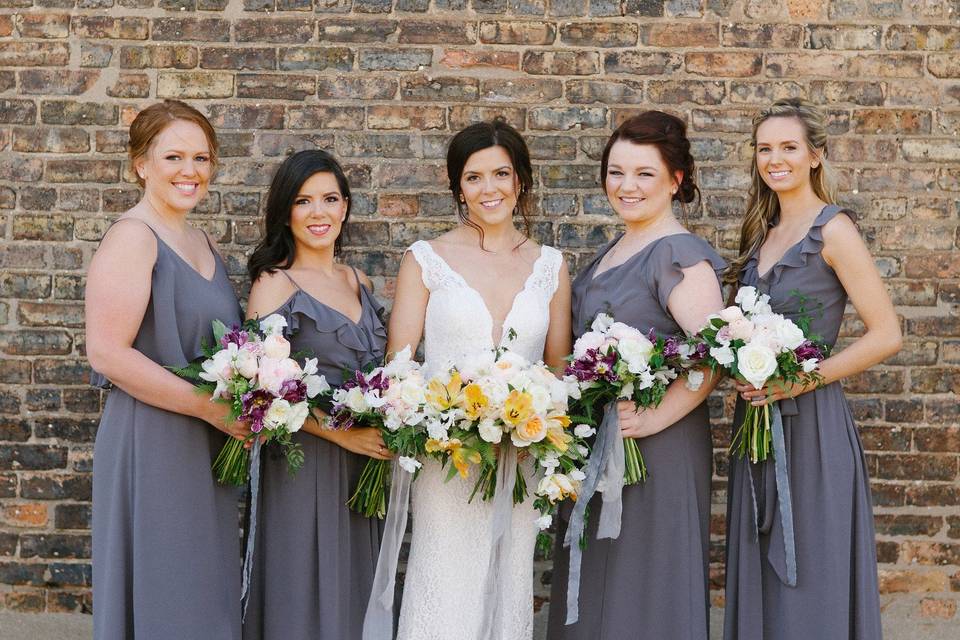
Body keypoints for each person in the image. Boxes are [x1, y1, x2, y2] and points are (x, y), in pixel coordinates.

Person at [386, 119, 571, 640]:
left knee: (507, 584)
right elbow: (399, 367)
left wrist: (534, 420)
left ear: (520, 181)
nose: (489, 189)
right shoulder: (426, 259)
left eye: (501, 174)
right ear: (458, 187)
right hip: (447, 461)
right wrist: (446, 419)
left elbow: (557, 371)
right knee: (443, 584)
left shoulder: (550, 266)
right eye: (473, 177)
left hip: (521, 457)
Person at [723, 98, 901, 640]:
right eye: (764, 149)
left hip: (812, 426)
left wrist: (798, 380)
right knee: (759, 560)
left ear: (815, 157)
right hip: (755, 425)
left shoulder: (834, 230)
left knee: (812, 567)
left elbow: (888, 334)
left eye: (789, 148)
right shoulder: (761, 234)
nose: (775, 159)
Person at [547, 111, 725, 640]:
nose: (626, 186)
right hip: (605, 447)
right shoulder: (614, 249)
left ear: (676, 180)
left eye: (644, 173)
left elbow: (716, 355)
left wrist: (653, 418)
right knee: (600, 583)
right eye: (616, 171)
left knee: (646, 590)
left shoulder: (679, 255)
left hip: (655, 451)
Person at [86, 100, 244, 639]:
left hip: (205, 440)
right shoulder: (133, 236)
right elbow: (107, 352)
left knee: (203, 590)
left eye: (201, 158)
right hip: (152, 439)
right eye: (173, 156)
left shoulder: (200, 241)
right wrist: (209, 406)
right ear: (141, 164)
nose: (190, 171)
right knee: (167, 589)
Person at [241, 149, 389, 639]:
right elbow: (257, 394)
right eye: (304, 201)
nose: (318, 212)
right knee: (299, 583)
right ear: (286, 211)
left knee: (354, 589)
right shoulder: (273, 284)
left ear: (345, 207)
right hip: (304, 460)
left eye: (329, 199)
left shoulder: (359, 281)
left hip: (364, 463)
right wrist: (341, 436)